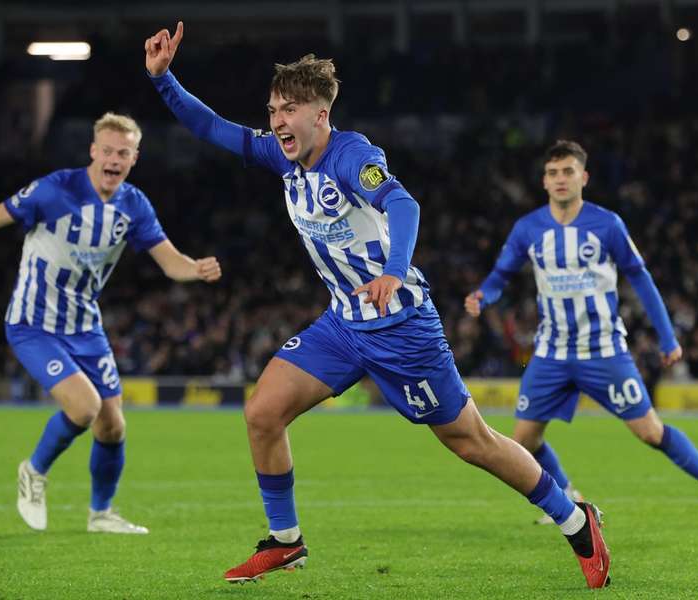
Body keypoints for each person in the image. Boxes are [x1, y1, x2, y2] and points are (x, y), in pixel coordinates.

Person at [145, 22, 611, 589]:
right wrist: (165, 80)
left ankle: (573, 520)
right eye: (272, 109)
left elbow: (402, 201)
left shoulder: (351, 156)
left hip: (402, 326)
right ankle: (286, 542)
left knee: (471, 442)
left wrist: (392, 272)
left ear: (320, 115)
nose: (276, 121)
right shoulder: (282, 158)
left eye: (288, 110)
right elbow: (214, 128)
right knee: (263, 411)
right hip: (344, 322)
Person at [0, 112, 222, 534]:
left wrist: (195, 269)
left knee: (113, 425)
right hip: (33, 323)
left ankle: (101, 514)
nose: (113, 159)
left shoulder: (134, 205)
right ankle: (33, 470)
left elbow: (169, 260)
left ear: (134, 158)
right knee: (85, 408)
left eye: (123, 153)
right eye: (107, 150)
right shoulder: (55, 189)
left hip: (85, 325)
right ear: (93, 151)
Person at [465, 140, 698, 528]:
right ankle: (572, 501)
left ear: (583, 177)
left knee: (650, 432)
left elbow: (641, 278)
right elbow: (501, 275)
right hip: (551, 352)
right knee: (524, 441)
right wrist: (485, 294)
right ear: (544, 182)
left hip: (603, 351)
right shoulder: (528, 228)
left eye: (568, 172)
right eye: (553, 173)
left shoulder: (607, 224)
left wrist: (667, 338)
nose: (560, 179)